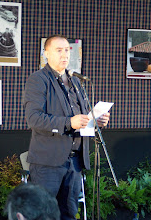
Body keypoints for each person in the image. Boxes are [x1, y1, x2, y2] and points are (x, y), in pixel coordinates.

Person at [22, 35, 110, 220]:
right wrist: (69, 122)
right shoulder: (38, 80)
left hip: (75, 162)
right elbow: (34, 119)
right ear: (46, 53)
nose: (64, 55)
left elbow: (82, 117)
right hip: (48, 162)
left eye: (67, 50)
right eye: (58, 50)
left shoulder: (76, 81)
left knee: (69, 213)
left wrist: (96, 121)